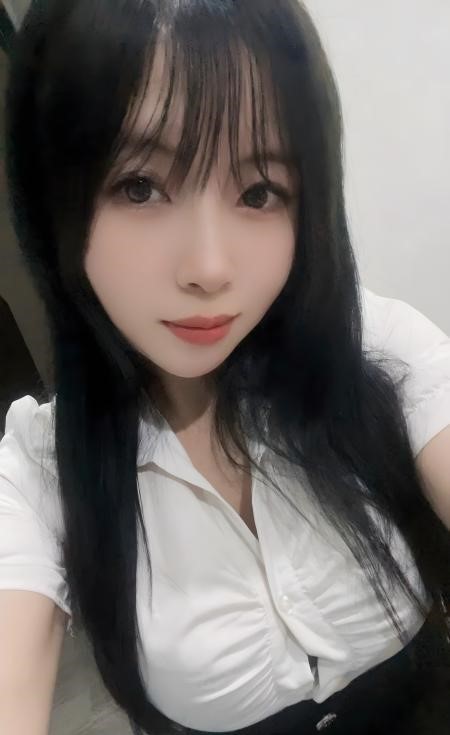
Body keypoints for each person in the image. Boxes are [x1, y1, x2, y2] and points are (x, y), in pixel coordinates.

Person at [0, 1, 449, 734]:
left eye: (258, 191)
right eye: (139, 186)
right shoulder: (42, 470)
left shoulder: (375, 349)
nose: (209, 268)